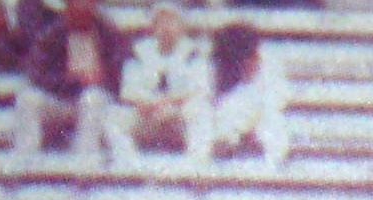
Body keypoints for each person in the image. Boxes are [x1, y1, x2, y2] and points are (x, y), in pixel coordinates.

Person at [8, 0, 127, 166]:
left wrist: (100, 78)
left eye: (86, 6)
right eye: (76, 6)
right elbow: (37, 74)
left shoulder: (108, 33)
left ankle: (85, 161)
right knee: (27, 99)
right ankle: (25, 160)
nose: (82, 9)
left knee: (92, 98)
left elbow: (122, 69)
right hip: (62, 97)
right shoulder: (53, 34)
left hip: (96, 100)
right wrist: (72, 79)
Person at [116, 0, 211, 165]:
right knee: (114, 117)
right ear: (153, 26)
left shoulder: (193, 52)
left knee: (202, 111)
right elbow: (128, 89)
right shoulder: (139, 51)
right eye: (161, 21)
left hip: (178, 116)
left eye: (171, 21)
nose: (166, 27)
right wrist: (148, 103)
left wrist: (171, 103)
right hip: (147, 114)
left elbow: (200, 88)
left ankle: (196, 166)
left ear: (182, 25)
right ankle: (128, 165)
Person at [206, 22, 287, 168]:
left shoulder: (269, 85)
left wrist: (253, 139)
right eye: (251, 57)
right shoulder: (213, 89)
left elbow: (274, 141)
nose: (257, 60)